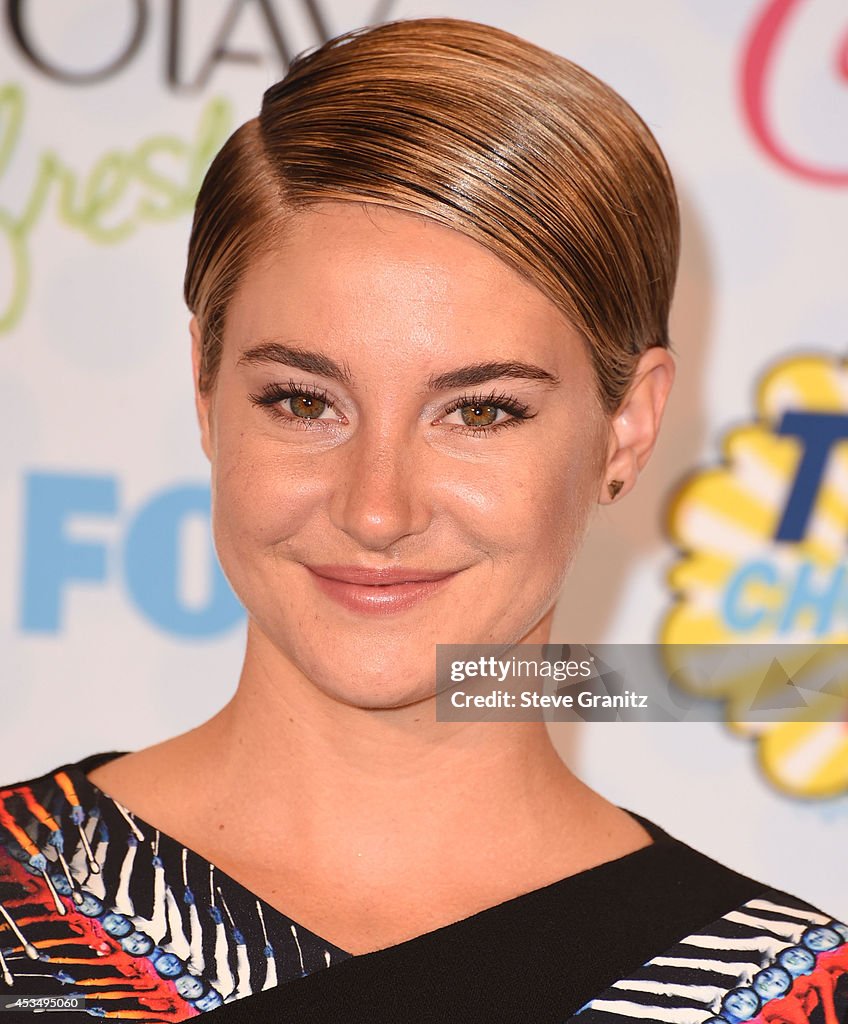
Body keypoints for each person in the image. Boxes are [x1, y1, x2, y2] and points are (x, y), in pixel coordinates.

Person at [0, 16, 845, 1024]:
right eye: (302, 401)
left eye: (479, 411)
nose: (375, 508)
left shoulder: (792, 996)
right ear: (203, 387)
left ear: (626, 426)